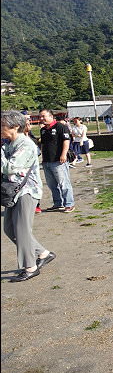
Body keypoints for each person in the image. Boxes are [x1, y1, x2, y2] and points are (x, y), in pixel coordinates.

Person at [2, 110, 57, 282]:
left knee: (22, 229)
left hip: (27, 191)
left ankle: (30, 267)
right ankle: (43, 253)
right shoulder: (9, 144)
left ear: (15, 127)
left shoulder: (26, 145)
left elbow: (9, 168)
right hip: (14, 191)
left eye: (2, 125)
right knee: (10, 229)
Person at [38, 109, 75, 213]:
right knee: (52, 185)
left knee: (64, 183)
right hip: (47, 161)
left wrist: (63, 154)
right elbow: (43, 145)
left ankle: (69, 204)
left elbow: (66, 141)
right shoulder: (43, 130)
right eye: (40, 116)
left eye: (43, 116)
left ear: (51, 116)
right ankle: (58, 203)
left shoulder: (60, 127)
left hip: (58, 160)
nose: (41, 119)